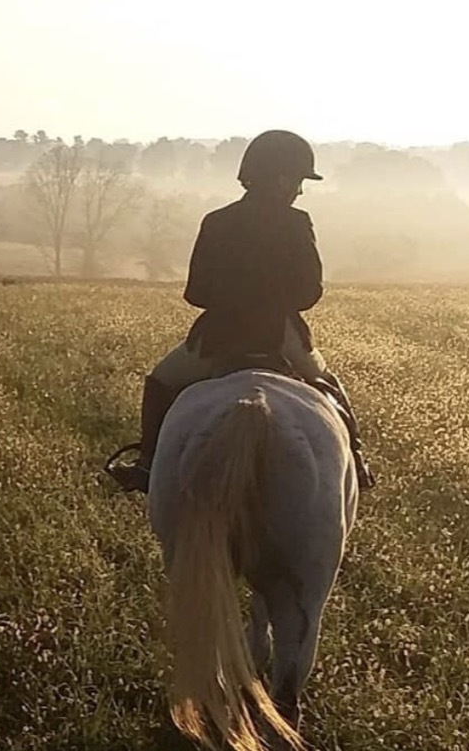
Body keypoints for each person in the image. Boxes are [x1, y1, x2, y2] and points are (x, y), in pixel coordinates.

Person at [106, 129, 375, 494]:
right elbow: (309, 293)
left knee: (161, 382)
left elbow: (195, 293)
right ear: (281, 179)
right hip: (280, 336)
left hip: (218, 337)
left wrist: (232, 299)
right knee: (329, 385)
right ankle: (356, 459)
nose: (299, 190)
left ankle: (148, 463)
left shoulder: (216, 221)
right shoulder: (297, 222)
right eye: (298, 180)